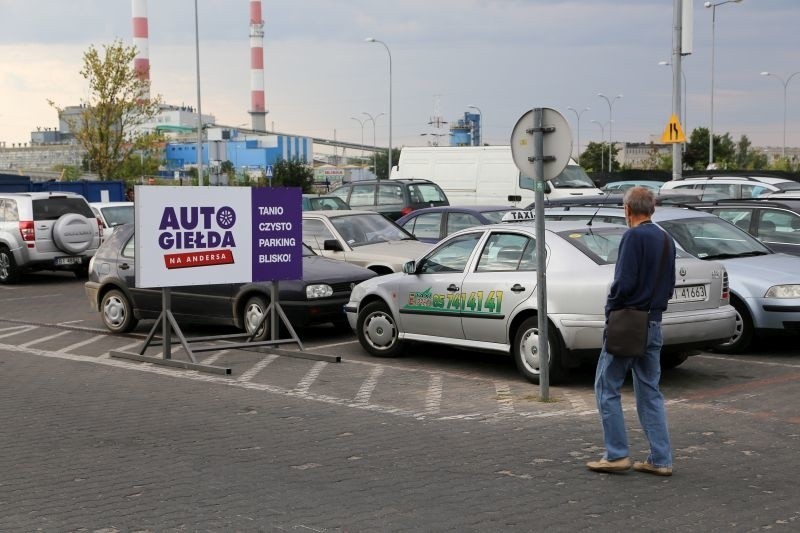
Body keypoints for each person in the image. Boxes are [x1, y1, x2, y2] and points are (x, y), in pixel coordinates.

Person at [586, 186, 676, 477]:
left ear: (627, 210)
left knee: (606, 386)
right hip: (654, 322)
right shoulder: (666, 238)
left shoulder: (632, 236)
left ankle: (616, 455)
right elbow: (669, 282)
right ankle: (660, 459)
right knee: (650, 391)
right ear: (653, 208)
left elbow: (623, 283)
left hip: (628, 322)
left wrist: (610, 310)